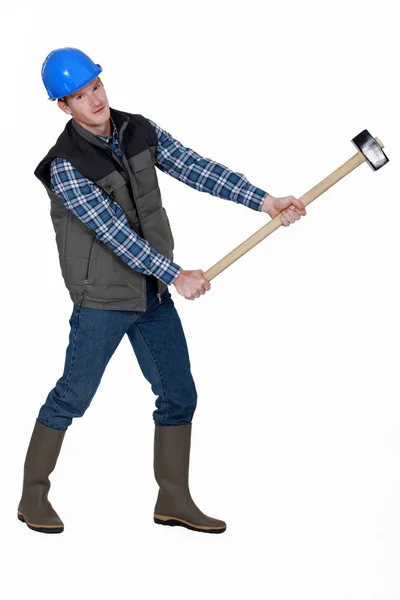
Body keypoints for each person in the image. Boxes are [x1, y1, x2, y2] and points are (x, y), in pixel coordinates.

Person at [18, 47, 307, 535]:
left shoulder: (137, 130)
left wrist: (265, 201)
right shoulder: (64, 165)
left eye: (96, 87)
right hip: (103, 302)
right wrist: (174, 273)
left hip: (150, 294)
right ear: (62, 106)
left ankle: (172, 499)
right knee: (73, 396)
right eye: (79, 96)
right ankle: (32, 496)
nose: (94, 100)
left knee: (178, 394)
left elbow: (195, 167)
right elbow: (114, 233)